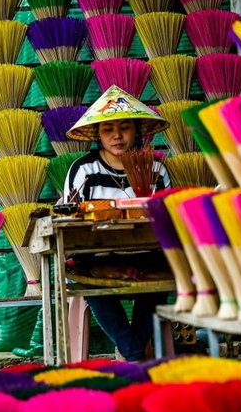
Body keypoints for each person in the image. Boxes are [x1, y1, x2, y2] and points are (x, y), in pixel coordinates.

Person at [64, 87, 171, 361]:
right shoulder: (83, 170)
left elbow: (170, 217)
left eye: (125, 127)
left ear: (137, 131)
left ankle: (132, 355)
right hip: (96, 259)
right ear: (98, 134)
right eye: (108, 129)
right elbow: (69, 218)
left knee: (163, 280)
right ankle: (136, 356)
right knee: (93, 287)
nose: (117, 135)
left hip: (149, 257)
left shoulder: (156, 168)